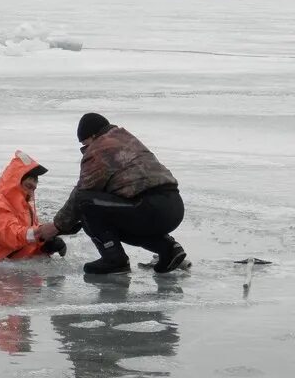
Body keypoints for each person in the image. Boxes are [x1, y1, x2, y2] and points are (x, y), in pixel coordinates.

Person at [37, 113, 187, 275]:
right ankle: (168, 249)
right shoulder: (126, 139)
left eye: (83, 144)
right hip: (173, 207)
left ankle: (114, 259)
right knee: (112, 221)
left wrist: (56, 226)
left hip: (149, 208)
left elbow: (82, 194)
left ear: (93, 136)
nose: (84, 149)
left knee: (85, 204)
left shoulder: (99, 149)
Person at [0, 150, 66, 260]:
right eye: (28, 186)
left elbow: (26, 242)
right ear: (15, 182)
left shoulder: (25, 208)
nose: (31, 193)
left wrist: (45, 246)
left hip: (7, 268)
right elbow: (12, 236)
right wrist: (41, 233)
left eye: (33, 189)